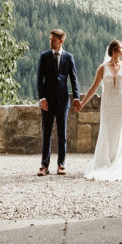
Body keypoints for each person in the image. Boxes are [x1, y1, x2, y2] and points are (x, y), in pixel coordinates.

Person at [76, 39, 122, 181]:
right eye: (121, 48)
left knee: (120, 130)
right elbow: (93, 87)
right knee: (107, 130)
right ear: (114, 50)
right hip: (108, 103)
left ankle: (118, 160)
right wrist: (82, 103)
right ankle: (105, 160)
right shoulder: (103, 68)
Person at [34, 28, 79, 176]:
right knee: (46, 134)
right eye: (50, 39)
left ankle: (61, 164)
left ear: (61, 41)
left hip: (63, 101)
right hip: (47, 102)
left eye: (53, 40)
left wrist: (76, 98)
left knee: (62, 135)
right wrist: (42, 98)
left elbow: (73, 79)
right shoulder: (44, 56)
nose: (50, 42)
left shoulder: (68, 57)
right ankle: (44, 166)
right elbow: (39, 80)